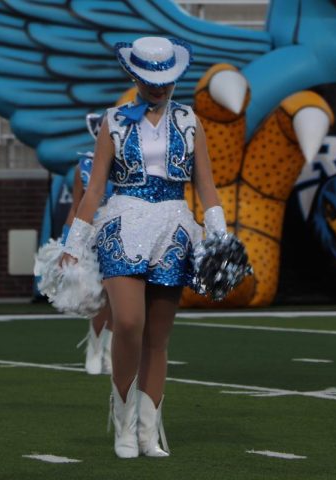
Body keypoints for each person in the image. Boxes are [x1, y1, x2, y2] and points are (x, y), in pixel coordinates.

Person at [61, 36, 226, 458]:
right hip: (123, 222)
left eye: (166, 79)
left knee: (158, 336)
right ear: (134, 75)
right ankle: (121, 423)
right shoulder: (114, 121)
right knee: (129, 322)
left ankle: (148, 432)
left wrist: (220, 236)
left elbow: (205, 184)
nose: (158, 87)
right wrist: (74, 242)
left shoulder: (190, 120)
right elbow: (95, 188)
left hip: (173, 226)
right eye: (151, 79)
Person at [64, 114, 113, 375]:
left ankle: (110, 352)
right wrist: (68, 241)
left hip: (121, 233)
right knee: (99, 298)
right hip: (93, 234)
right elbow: (76, 206)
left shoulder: (130, 162)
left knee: (120, 298)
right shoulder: (83, 166)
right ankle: (95, 346)